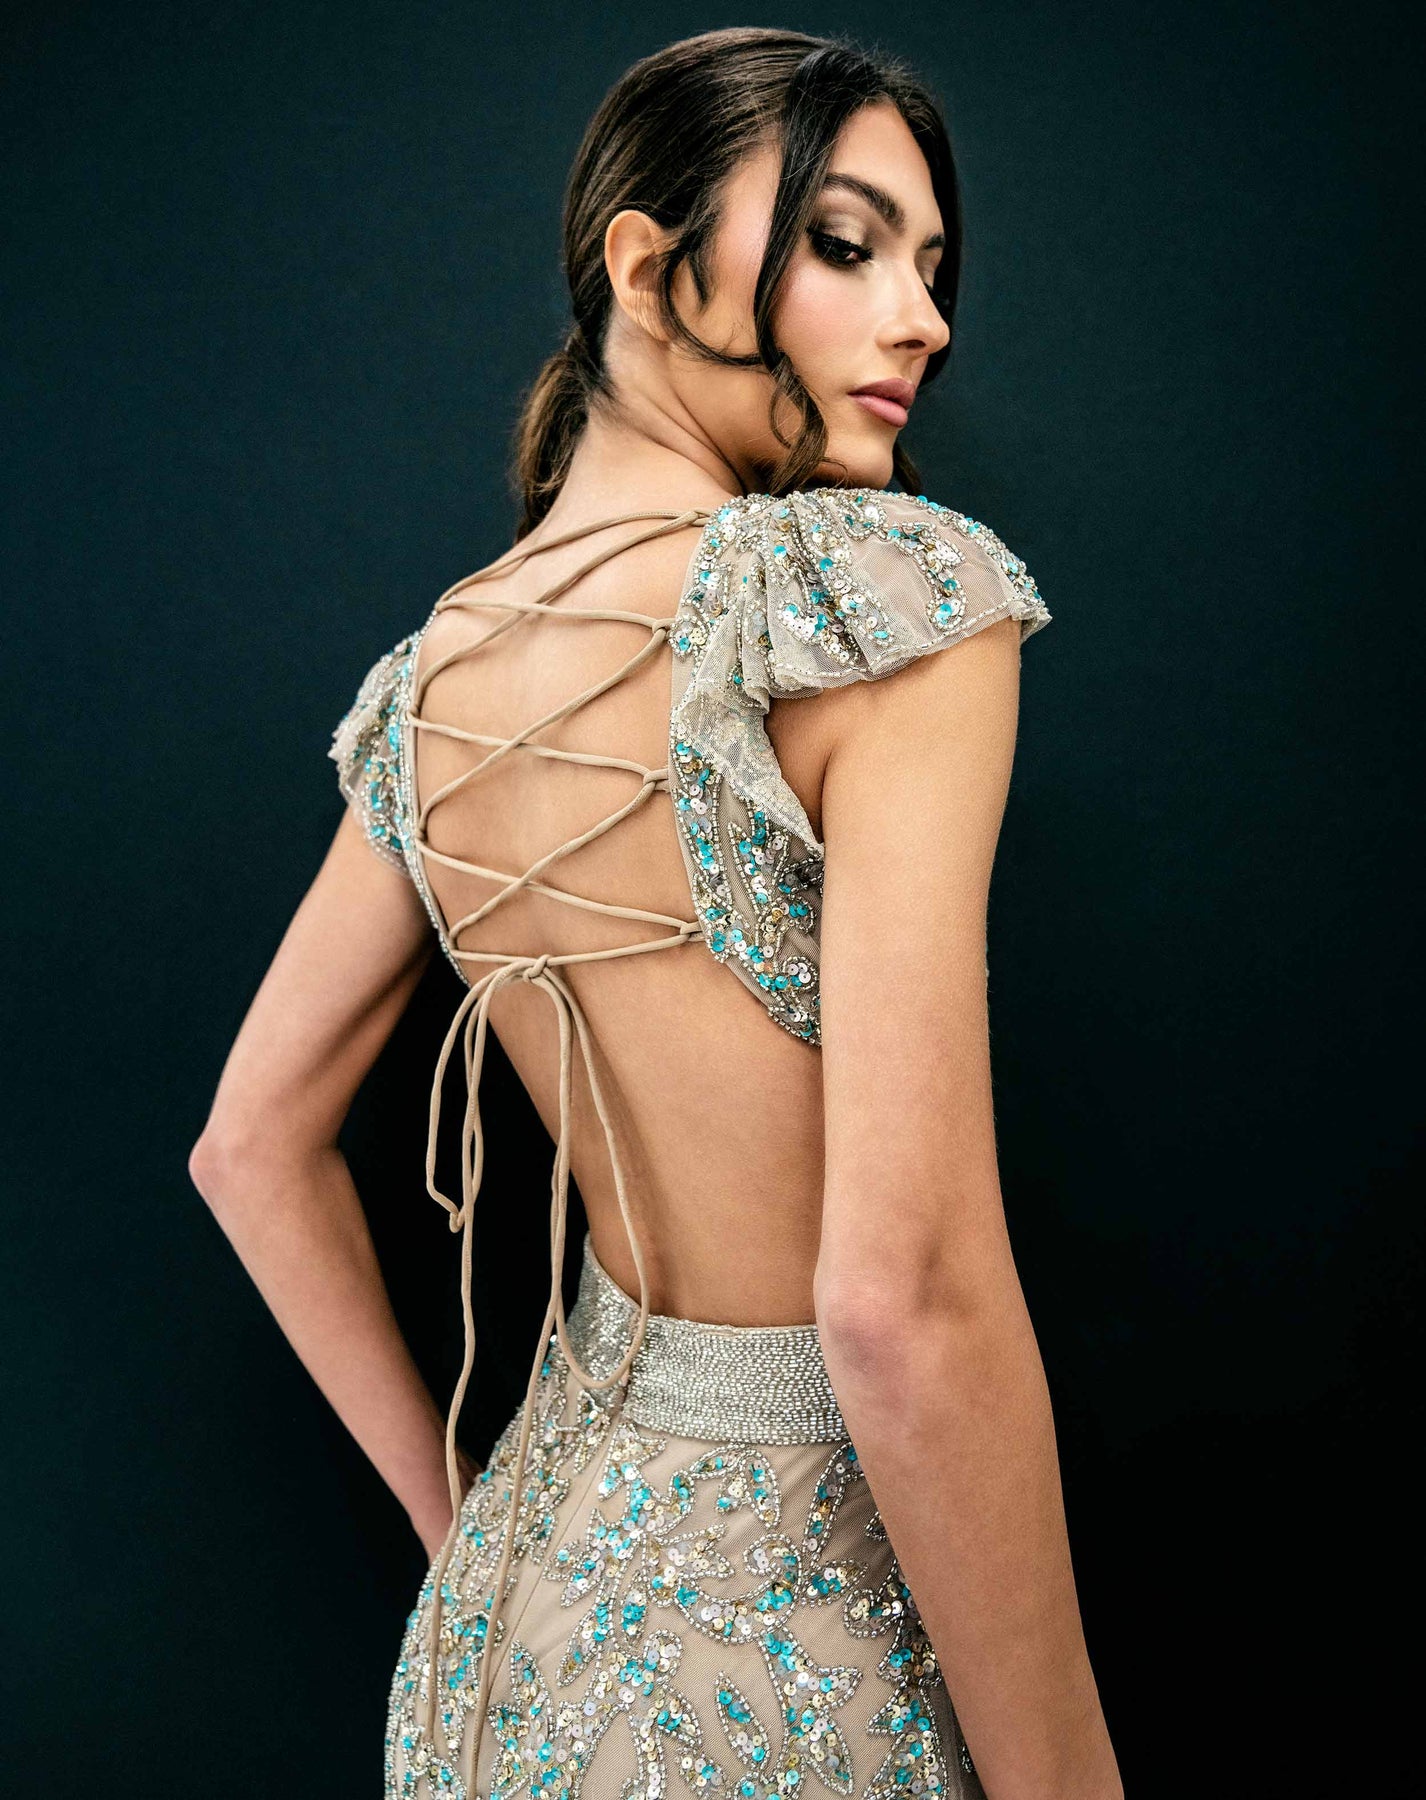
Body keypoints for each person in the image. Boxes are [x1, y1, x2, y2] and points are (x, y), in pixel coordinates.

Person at [189, 26, 1122, 1800]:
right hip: (805, 1642)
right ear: (645, 264)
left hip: (512, 1643)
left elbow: (246, 1147)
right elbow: (898, 1302)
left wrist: (459, 1532)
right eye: (845, 246)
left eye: (930, 266)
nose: (922, 319)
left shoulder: (431, 680)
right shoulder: (880, 600)